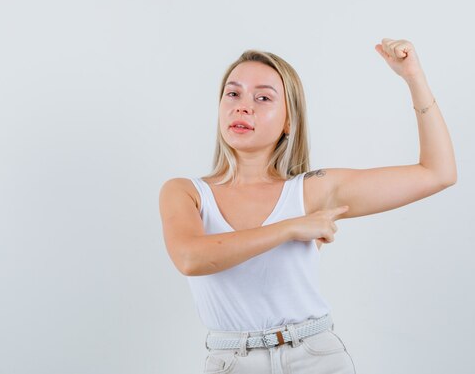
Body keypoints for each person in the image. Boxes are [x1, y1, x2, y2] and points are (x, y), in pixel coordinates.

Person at [159, 39, 457, 374]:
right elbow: (191, 258)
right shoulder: (185, 192)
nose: (243, 107)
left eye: (263, 97)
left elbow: (438, 173)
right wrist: (291, 228)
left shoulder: (311, 191)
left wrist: (414, 78)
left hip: (315, 357)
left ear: (289, 121)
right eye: (233, 93)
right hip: (232, 361)